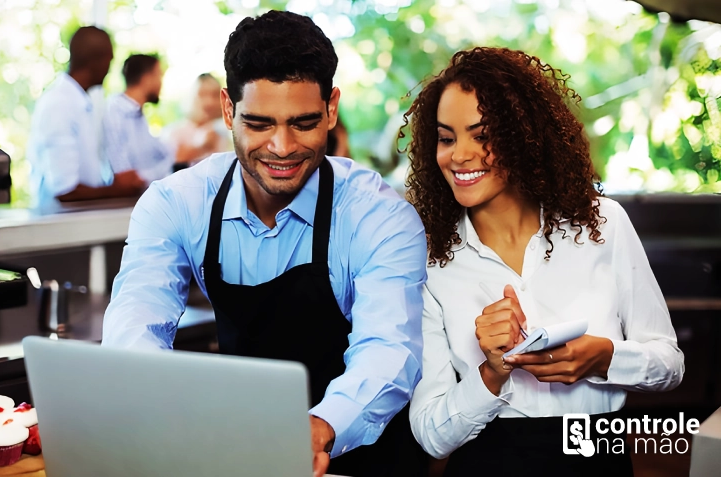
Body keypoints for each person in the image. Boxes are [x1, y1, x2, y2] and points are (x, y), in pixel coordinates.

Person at [102, 10, 429, 477]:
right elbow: (134, 327)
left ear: (331, 109)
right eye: (258, 123)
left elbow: (389, 350)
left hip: (364, 459)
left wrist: (318, 427)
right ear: (228, 109)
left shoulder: (378, 216)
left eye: (302, 122)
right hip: (246, 454)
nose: (281, 147)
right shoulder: (177, 203)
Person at [404, 47, 684, 476]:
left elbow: (670, 365)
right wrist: (491, 374)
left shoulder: (602, 223)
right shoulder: (429, 257)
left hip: (595, 455)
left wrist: (604, 357)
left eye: (481, 135)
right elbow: (431, 434)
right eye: (446, 138)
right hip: (489, 462)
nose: (459, 155)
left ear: (522, 137)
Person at [27, 26, 144, 206]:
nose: (109, 69)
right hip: (59, 228)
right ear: (97, 60)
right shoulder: (60, 104)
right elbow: (65, 191)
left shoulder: (79, 102)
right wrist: (119, 189)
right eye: (109, 60)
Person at [103, 54, 178, 184]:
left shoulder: (137, 114)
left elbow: (160, 153)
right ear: (147, 79)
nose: (161, 83)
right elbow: (125, 179)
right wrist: (173, 162)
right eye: (159, 75)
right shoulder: (115, 113)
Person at [164, 73, 231, 168]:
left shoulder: (227, 130)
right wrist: (202, 147)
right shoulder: (175, 132)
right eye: (202, 94)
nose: (209, 102)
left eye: (215, 95)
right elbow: (169, 162)